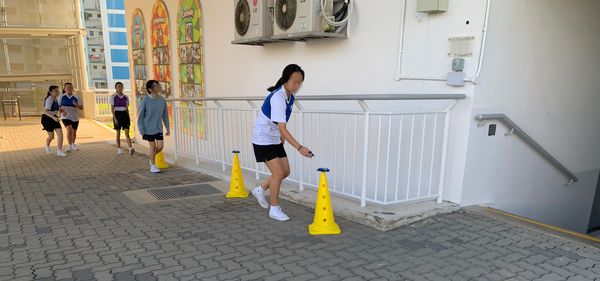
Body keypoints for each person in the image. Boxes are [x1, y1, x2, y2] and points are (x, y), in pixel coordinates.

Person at [251, 64, 314, 221]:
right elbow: (283, 127)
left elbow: (281, 123)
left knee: (285, 171)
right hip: (262, 138)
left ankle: (261, 189)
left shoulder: (290, 96)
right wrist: (300, 148)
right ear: (286, 79)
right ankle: (274, 208)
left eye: (300, 82)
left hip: (274, 137)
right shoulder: (278, 97)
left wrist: (282, 136)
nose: (297, 86)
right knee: (278, 173)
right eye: (295, 82)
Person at [138, 80, 170, 173]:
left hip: (158, 128)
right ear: (150, 89)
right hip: (148, 128)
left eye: (158, 85)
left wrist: (167, 128)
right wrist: (141, 129)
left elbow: (165, 115)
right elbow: (140, 116)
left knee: (160, 146)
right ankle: (153, 165)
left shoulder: (162, 100)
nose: (158, 87)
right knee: (152, 147)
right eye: (156, 86)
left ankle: (151, 158)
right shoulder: (145, 100)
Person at [41, 85, 67, 157]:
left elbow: (57, 107)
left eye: (58, 90)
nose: (57, 92)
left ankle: (59, 151)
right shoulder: (49, 99)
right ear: (50, 92)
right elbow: (45, 111)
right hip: (47, 118)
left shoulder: (56, 98)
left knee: (60, 134)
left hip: (54, 118)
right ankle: (47, 145)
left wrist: (62, 111)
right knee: (51, 137)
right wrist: (53, 117)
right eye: (55, 91)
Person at [110, 82, 135, 155]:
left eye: (121, 86)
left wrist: (128, 117)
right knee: (118, 133)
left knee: (127, 132)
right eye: (118, 86)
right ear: (116, 88)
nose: (120, 88)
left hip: (124, 114)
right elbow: (112, 109)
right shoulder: (113, 97)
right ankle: (119, 148)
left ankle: (130, 148)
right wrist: (115, 118)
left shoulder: (126, 97)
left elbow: (127, 108)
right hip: (117, 114)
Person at [59, 82, 83, 151]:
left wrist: (76, 105)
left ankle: (73, 144)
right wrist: (62, 111)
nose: (69, 89)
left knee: (74, 132)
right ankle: (69, 145)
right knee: (69, 130)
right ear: (64, 89)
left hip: (75, 117)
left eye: (70, 87)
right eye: (67, 87)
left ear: (72, 88)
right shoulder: (61, 96)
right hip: (65, 116)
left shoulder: (77, 97)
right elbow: (58, 106)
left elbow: (81, 107)